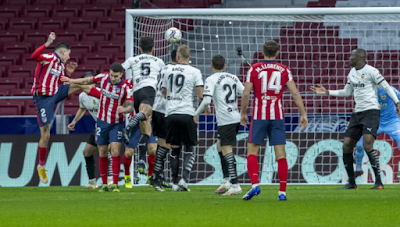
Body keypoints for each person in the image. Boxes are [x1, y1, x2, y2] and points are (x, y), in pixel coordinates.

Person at [311, 48, 400, 190]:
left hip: (371, 112)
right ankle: (352, 182)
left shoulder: (372, 71)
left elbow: (387, 87)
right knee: (346, 145)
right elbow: (346, 92)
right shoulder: (351, 73)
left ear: (359, 58)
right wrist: (328, 92)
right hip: (357, 113)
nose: (349, 58)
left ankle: (378, 182)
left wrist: (397, 102)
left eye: (352, 56)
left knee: (367, 145)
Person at [241, 40, 308, 201]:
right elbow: (295, 93)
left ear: (262, 52)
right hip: (277, 117)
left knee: (252, 151)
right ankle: (282, 192)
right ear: (277, 53)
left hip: (259, 116)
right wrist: (303, 113)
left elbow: (245, 94)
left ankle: (255, 185)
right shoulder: (284, 70)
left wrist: (243, 113)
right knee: (281, 155)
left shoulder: (254, 68)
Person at [61, 62, 134, 192]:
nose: (113, 78)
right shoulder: (103, 78)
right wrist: (71, 79)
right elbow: (87, 81)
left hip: (116, 122)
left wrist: (124, 109)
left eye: (116, 76)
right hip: (101, 123)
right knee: (101, 152)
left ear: (121, 75)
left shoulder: (125, 87)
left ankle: (115, 183)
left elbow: (130, 105)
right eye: (112, 75)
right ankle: (103, 184)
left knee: (115, 151)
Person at [31, 32, 84, 184]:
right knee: (46, 134)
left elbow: (61, 83)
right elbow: (34, 56)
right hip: (43, 99)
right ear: (62, 52)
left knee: (83, 84)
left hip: (56, 93)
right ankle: (41, 166)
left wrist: (68, 74)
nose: (69, 57)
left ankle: (102, 102)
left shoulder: (60, 65)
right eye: (68, 54)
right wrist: (47, 43)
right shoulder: (49, 58)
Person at [195, 54, 244, 196]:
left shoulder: (210, 79)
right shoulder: (233, 77)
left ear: (211, 65)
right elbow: (243, 91)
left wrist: (195, 113)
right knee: (219, 145)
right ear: (224, 66)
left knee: (227, 150)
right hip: (235, 116)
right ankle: (226, 180)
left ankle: (235, 184)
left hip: (226, 119)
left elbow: (205, 102)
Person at [161, 44, 204, 191]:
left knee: (174, 148)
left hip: (172, 114)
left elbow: (164, 92)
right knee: (190, 147)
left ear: (177, 57)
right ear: (189, 56)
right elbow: (200, 96)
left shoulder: (168, 70)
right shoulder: (195, 71)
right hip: (187, 113)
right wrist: (197, 112)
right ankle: (184, 179)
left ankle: (173, 182)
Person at [122, 37, 165, 175]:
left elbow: (119, 69)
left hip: (136, 93)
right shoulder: (159, 61)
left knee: (146, 128)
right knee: (146, 115)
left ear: (139, 48)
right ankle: (128, 128)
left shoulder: (133, 59)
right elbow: (165, 79)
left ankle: (141, 160)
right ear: (153, 48)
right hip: (149, 90)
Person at [67, 72, 113, 189]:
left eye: (89, 81)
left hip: (108, 124)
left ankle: (110, 179)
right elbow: (82, 109)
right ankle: (92, 182)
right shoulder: (82, 96)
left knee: (105, 151)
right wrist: (74, 122)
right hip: (98, 125)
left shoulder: (101, 94)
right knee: (87, 152)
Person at [354, 86, 400, 179]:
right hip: (375, 122)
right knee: (359, 145)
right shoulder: (365, 92)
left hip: (391, 121)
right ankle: (358, 169)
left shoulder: (389, 90)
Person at [150, 50, 177, 192]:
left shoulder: (163, 68)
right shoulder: (175, 70)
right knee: (165, 145)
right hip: (164, 109)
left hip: (158, 108)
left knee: (165, 144)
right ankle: (156, 177)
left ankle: (158, 176)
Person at [122, 113, 158, 188]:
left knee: (153, 149)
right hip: (134, 122)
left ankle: (150, 176)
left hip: (149, 121)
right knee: (129, 153)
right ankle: (127, 175)